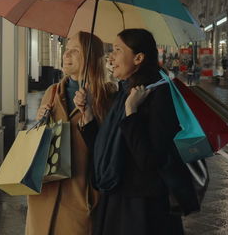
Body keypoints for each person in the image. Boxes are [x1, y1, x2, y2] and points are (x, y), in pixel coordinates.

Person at [75, 29, 199, 235]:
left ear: (139, 58)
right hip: (117, 199)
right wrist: (87, 115)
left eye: (117, 50)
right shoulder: (124, 93)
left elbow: (149, 161)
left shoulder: (157, 94)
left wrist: (131, 114)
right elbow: (106, 150)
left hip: (143, 209)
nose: (110, 57)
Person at [26, 32, 115, 235]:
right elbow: (40, 140)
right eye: (67, 50)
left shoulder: (108, 95)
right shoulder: (52, 91)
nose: (67, 55)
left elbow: (109, 147)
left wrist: (91, 113)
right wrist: (40, 120)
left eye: (75, 51)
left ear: (91, 57)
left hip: (79, 195)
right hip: (45, 192)